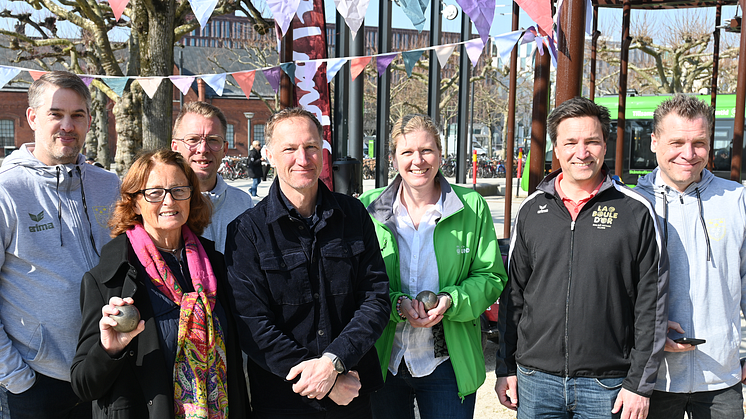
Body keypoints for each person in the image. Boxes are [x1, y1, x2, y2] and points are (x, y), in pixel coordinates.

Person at [495, 97, 669, 419]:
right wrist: (506, 366)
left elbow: (652, 306)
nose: (582, 152)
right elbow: (513, 296)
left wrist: (639, 385)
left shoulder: (636, 211)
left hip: (608, 385)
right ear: (556, 149)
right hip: (536, 381)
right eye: (571, 142)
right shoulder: (532, 210)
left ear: (605, 145)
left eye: (592, 141)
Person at [224, 107, 390, 418]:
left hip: (350, 391)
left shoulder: (353, 215)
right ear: (271, 155)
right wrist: (322, 381)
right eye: (290, 149)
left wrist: (334, 363)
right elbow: (252, 323)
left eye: (311, 147)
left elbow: (375, 300)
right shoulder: (247, 232)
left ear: (322, 152)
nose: (303, 158)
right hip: (283, 400)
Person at [70, 149, 249, 418]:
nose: (169, 201)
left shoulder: (216, 267)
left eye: (179, 190)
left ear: (191, 196)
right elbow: (84, 385)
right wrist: (109, 349)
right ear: (134, 203)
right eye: (154, 192)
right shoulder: (109, 280)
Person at [358, 114, 507, 419]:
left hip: (448, 363)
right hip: (385, 359)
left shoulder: (471, 206)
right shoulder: (367, 207)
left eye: (427, 150)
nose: (418, 161)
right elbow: (356, 283)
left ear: (440, 154)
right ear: (393, 158)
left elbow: (490, 276)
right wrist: (396, 304)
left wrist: (451, 300)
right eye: (407, 152)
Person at [0, 71, 120, 419]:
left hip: (106, 369)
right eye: (56, 114)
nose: (67, 125)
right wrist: (17, 378)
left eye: (77, 115)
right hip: (38, 382)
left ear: (89, 121)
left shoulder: (108, 185)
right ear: (32, 117)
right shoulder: (8, 191)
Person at [636, 94, 746, 418]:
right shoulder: (633, 205)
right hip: (651, 380)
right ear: (654, 141)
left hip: (721, 382)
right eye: (677, 142)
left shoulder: (737, 201)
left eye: (699, 143)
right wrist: (652, 337)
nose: (689, 154)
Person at [171, 101, 253, 253]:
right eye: (193, 139)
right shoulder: (162, 206)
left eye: (213, 140)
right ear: (175, 146)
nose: (203, 149)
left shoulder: (243, 204)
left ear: (224, 149)